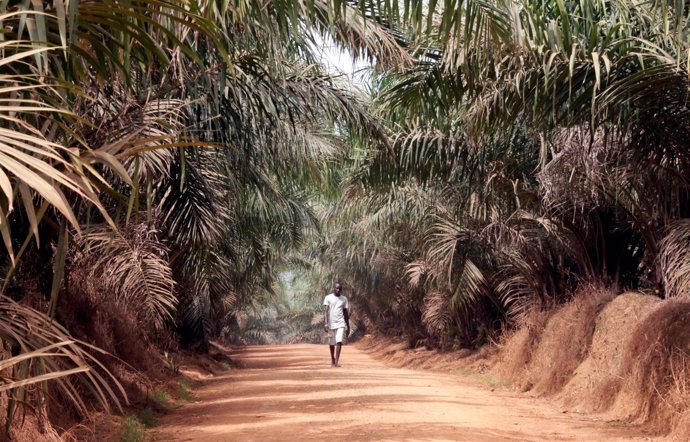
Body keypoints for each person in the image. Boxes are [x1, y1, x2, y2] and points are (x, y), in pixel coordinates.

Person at [323, 282, 350, 367]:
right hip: (331, 324)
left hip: (340, 323)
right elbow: (326, 311)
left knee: (339, 341)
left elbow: (345, 313)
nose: (338, 290)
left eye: (340, 289)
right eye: (337, 288)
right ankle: (332, 359)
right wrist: (326, 323)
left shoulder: (344, 299)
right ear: (333, 288)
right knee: (331, 343)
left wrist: (347, 325)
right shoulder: (328, 298)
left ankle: (337, 361)